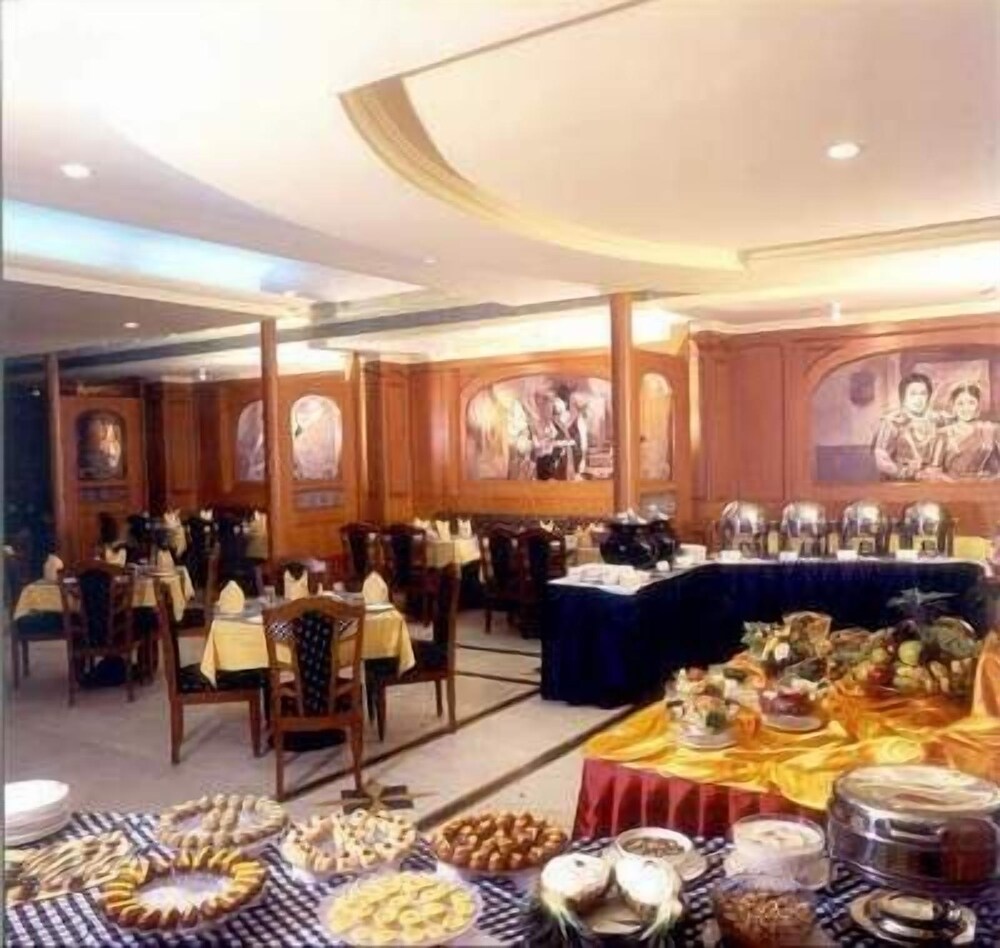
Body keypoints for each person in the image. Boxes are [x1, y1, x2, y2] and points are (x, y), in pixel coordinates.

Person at [872, 372, 943, 481]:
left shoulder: (935, 420)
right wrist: (909, 474)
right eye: (913, 394)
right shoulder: (892, 422)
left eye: (923, 394)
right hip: (899, 484)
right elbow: (881, 462)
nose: (918, 399)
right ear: (903, 396)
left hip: (931, 483)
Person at [926, 384, 999, 480]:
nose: (966, 408)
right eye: (960, 404)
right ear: (953, 406)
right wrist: (952, 482)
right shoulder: (944, 434)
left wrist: (989, 480)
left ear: (978, 405)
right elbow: (934, 471)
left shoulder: (990, 430)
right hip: (952, 486)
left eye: (971, 403)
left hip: (984, 485)